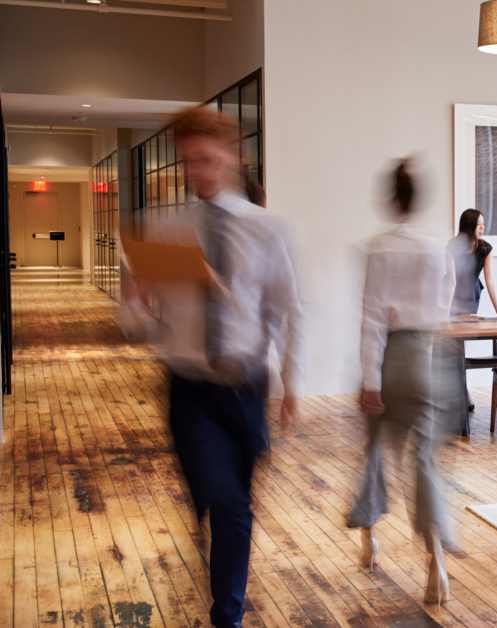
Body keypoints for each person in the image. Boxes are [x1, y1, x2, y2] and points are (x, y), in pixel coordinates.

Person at [123, 106, 306, 628]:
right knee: (225, 503)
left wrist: (292, 383)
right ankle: (228, 616)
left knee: (232, 504)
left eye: (206, 159)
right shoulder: (166, 228)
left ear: (234, 157)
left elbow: (288, 311)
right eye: (189, 161)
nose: (197, 171)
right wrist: (134, 300)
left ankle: (221, 567)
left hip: (246, 388)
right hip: (190, 387)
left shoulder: (271, 230)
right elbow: (133, 321)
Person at [351, 160, 454, 605]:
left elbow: (373, 316)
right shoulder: (437, 250)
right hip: (429, 358)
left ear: (392, 199)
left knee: (374, 449)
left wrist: (369, 378)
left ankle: (369, 540)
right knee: (424, 460)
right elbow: (444, 306)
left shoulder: (378, 248)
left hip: (392, 357)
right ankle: (436, 565)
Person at [448, 208, 497, 317]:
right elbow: (451, 281)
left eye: (483, 223)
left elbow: (490, 281)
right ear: (468, 225)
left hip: (471, 294)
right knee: (449, 329)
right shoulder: (452, 246)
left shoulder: (485, 249)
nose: (482, 227)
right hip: (450, 294)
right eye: (478, 224)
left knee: (467, 330)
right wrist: (446, 310)